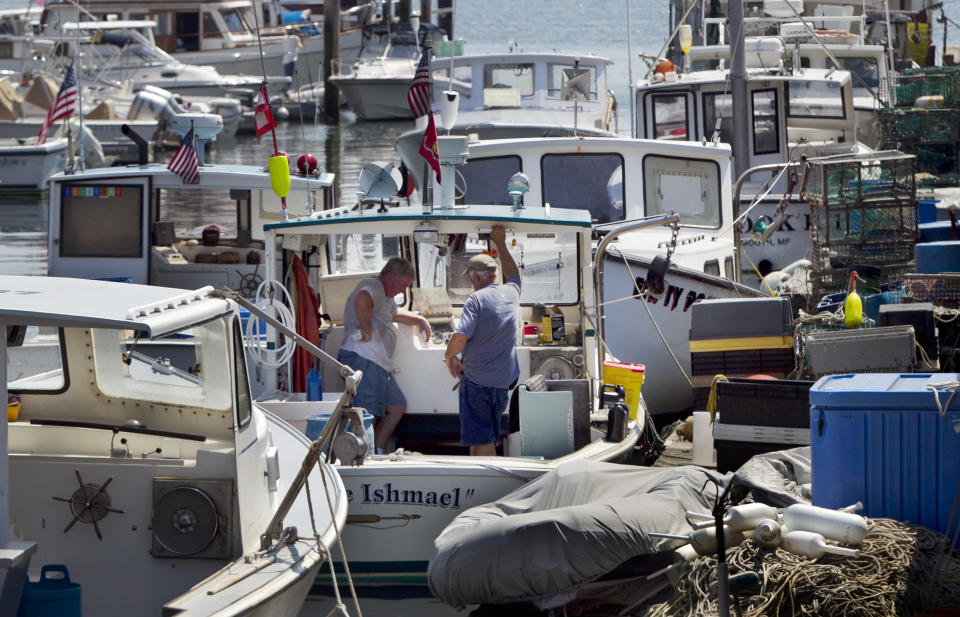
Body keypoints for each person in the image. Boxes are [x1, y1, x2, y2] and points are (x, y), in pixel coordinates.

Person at [338, 257, 431, 453]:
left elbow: (392, 315)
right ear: (391, 277)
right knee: (366, 414)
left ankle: (377, 451)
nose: (403, 291)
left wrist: (418, 319)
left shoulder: (385, 296)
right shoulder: (373, 286)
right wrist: (366, 330)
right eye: (403, 284)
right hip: (364, 360)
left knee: (397, 406)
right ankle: (359, 456)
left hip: (378, 363)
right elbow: (362, 299)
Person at [444, 225, 521, 456]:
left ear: (476, 277)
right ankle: (474, 483)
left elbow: (459, 338)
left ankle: (488, 484)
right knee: (481, 439)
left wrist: (449, 357)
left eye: (470, 277)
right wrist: (501, 243)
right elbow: (513, 271)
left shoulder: (475, 300)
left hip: (477, 383)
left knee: (483, 439)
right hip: (501, 382)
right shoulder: (512, 293)